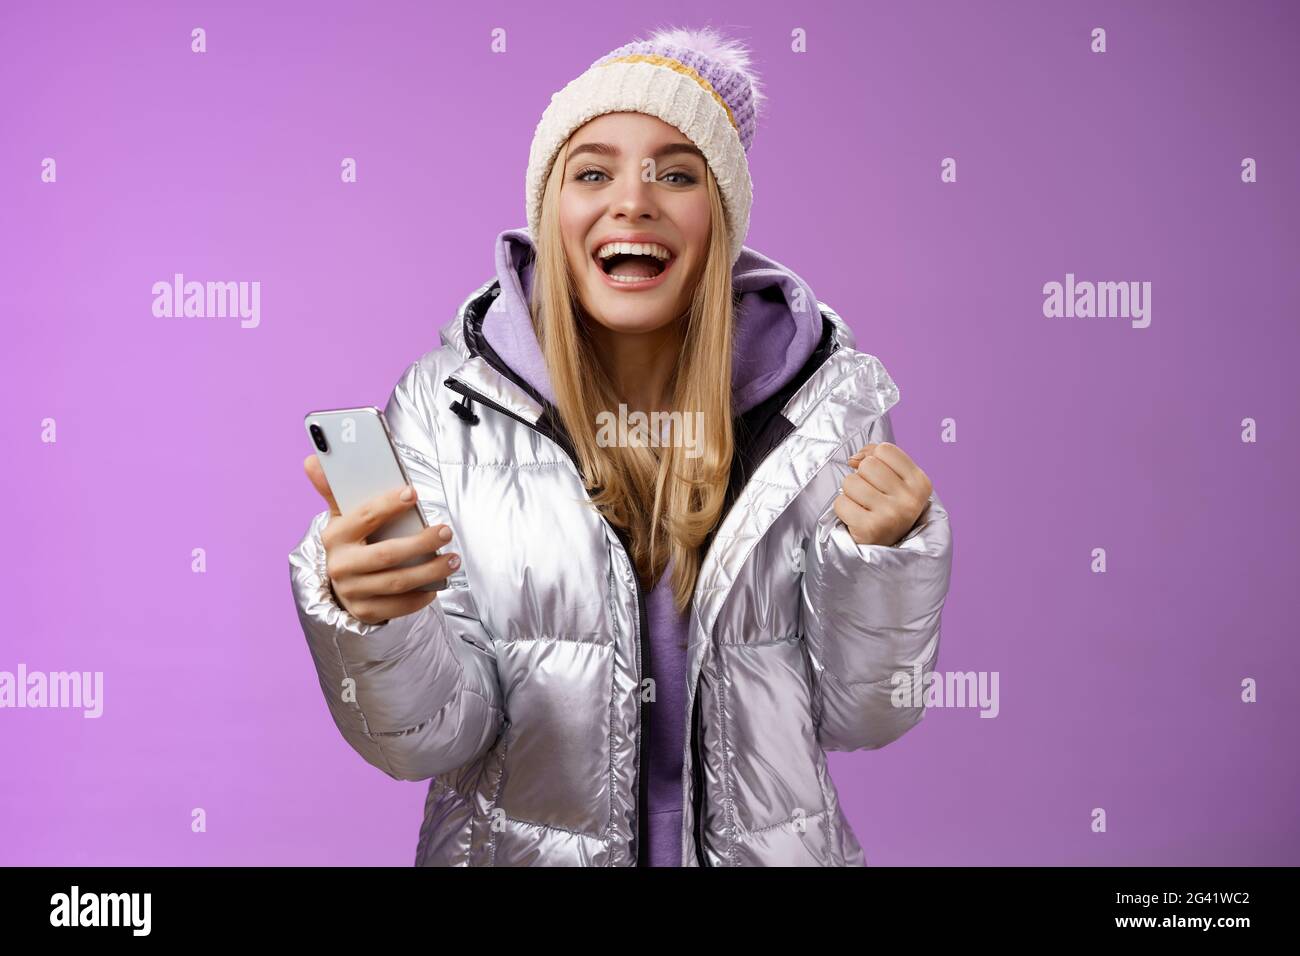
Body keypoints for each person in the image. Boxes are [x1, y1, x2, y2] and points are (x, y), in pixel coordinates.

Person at [288, 25, 953, 867]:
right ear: (551, 214)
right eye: (593, 171)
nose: (633, 200)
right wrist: (376, 621)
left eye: (676, 174)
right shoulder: (442, 407)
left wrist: (884, 562)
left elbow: (866, 717)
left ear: (721, 221)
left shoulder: (828, 407)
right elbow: (426, 741)